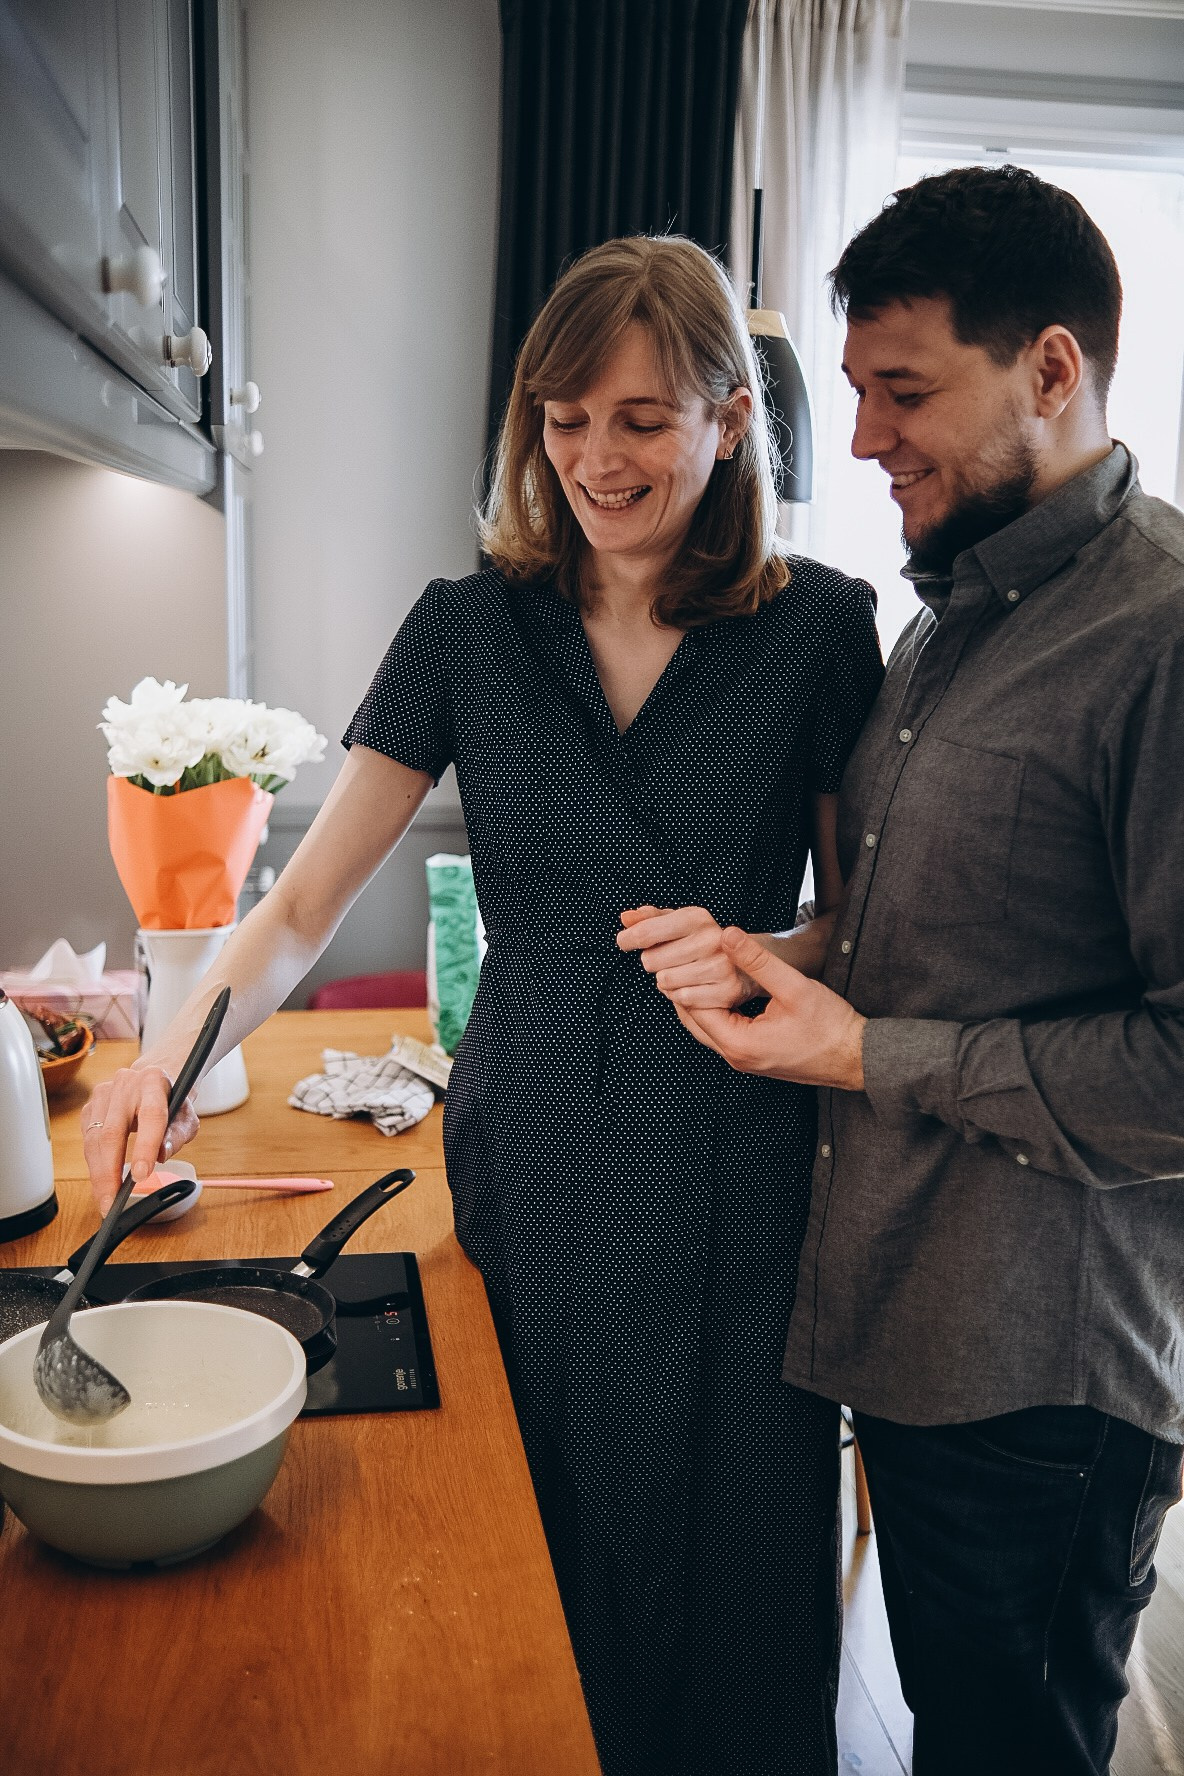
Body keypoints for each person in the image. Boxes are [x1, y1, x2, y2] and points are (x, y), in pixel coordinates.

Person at [81, 235, 884, 1776]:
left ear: (729, 418)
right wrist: (162, 1067)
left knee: (735, 1576)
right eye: (562, 416)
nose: (595, 457)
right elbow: (302, 907)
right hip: (535, 1152)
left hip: (740, 1162)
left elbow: (858, 921)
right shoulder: (466, 628)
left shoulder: (818, 628)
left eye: (643, 419)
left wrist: (773, 949)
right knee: (534, 1558)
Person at [623, 168, 1184, 1774]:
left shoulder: (1163, 633)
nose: (861, 436)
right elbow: (912, 943)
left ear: (1054, 371)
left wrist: (861, 1054)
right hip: (907, 1321)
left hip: (1044, 1376)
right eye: (860, 389)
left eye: (906, 390)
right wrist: (780, 961)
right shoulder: (949, 613)